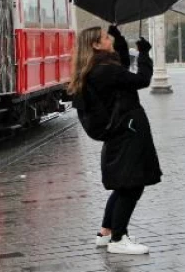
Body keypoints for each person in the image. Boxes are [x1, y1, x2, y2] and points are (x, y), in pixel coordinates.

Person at [68, 25, 162, 255]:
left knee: (123, 183)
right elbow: (141, 79)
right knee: (132, 185)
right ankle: (118, 238)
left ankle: (106, 232)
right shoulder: (105, 70)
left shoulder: (97, 67)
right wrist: (144, 55)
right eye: (106, 38)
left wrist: (119, 38)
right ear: (96, 45)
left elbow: (120, 65)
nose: (109, 40)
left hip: (119, 129)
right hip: (127, 130)